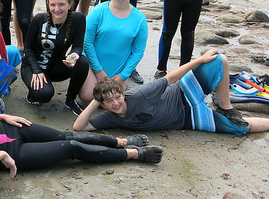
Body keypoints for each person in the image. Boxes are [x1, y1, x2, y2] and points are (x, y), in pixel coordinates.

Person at [0, 76, 163, 181]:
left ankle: (120, 141)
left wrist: (5, 115)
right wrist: (1, 156)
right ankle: (132, 154)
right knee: (71, 147)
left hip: (9, 129)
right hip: (8, 154)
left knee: (66, 134)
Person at [73, 49, 264, 136]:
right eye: (108, 102)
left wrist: (199, 60)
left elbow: (171, 77)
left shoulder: (141, 93)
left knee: (218, 59)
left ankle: (225, 107)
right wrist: (96, 100)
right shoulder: (111, 118)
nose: (115, 103)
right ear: (102, 105)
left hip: (184, 92)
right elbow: (79, 127)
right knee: (241, 128)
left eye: (117, 97)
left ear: (123, 93)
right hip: (190, 119)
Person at [22, 0, 89, 116]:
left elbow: (78, 46)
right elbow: (28, 47)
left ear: (70, 4)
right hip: (32, 66)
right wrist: (36, 70)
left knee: (83, 62)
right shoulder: (39, 19)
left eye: (61, 4)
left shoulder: (79, 19)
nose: (56, 9)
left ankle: (70, 100)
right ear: (48, 4)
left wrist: (74, 55)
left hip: (56, 66)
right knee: (43, 95)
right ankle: (33, 93)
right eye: (52, 5)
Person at [81, 0, 147, 101]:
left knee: (113, 99)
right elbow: (87, 42)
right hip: (94, 63)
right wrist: (98, 70)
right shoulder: (97, 11)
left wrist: (123, 75)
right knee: (88, 97)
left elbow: (138, 51)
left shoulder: (140, 18)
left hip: (119, 68)